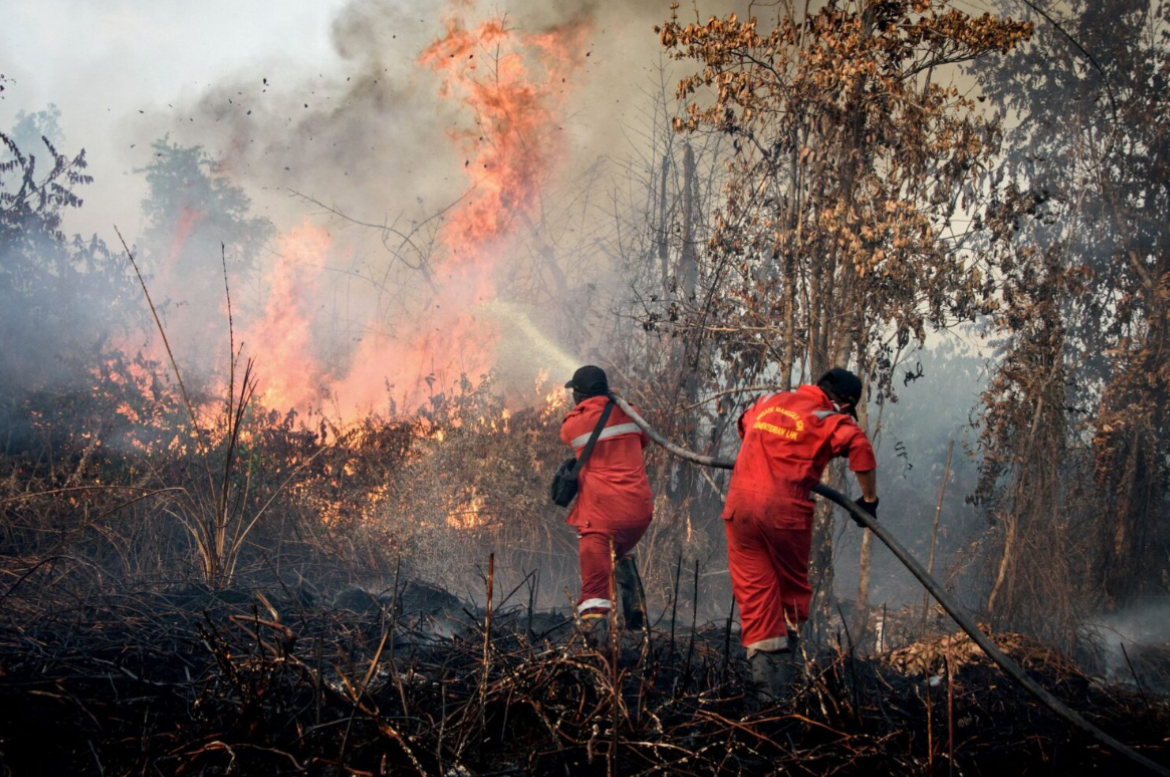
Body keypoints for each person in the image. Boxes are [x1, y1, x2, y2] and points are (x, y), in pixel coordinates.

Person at [722, 367, 878, 701]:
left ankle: (765, 689)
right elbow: (861, 449)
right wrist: (869, 502)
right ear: (846, 404)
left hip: (739, 511)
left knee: (755, 595)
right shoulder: (829, 417)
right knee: (790, 595)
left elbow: (744, 425)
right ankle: (784, 678)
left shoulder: (770, 400)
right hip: (784, 514)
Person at [559, 365, 654, 632]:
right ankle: (635, 607)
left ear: (580, 395)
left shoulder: (577, 422)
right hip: (638, 514)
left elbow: (566, 434)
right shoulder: (631, 413)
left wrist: (591, 406)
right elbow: (644, 440)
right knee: (620, 550)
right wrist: (615, 401)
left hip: (600, 517)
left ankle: (598, 648)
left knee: (595, 590)